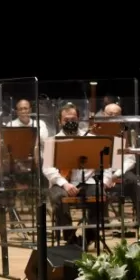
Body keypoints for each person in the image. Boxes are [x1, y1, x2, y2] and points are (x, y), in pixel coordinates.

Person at [43, 103, 113, 246]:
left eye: (73, 119)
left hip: (88, 182)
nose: (70, 122)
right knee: (58, 197)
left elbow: (106, 164)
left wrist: (105, 181)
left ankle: (89, 237)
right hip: (63, 183)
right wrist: (65, 184)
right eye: (66, 120)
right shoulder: (52, 141)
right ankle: (70, 239)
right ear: (59, 121)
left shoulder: (91, 138)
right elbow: (48, 168)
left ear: (79, 119)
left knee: (100, 195)